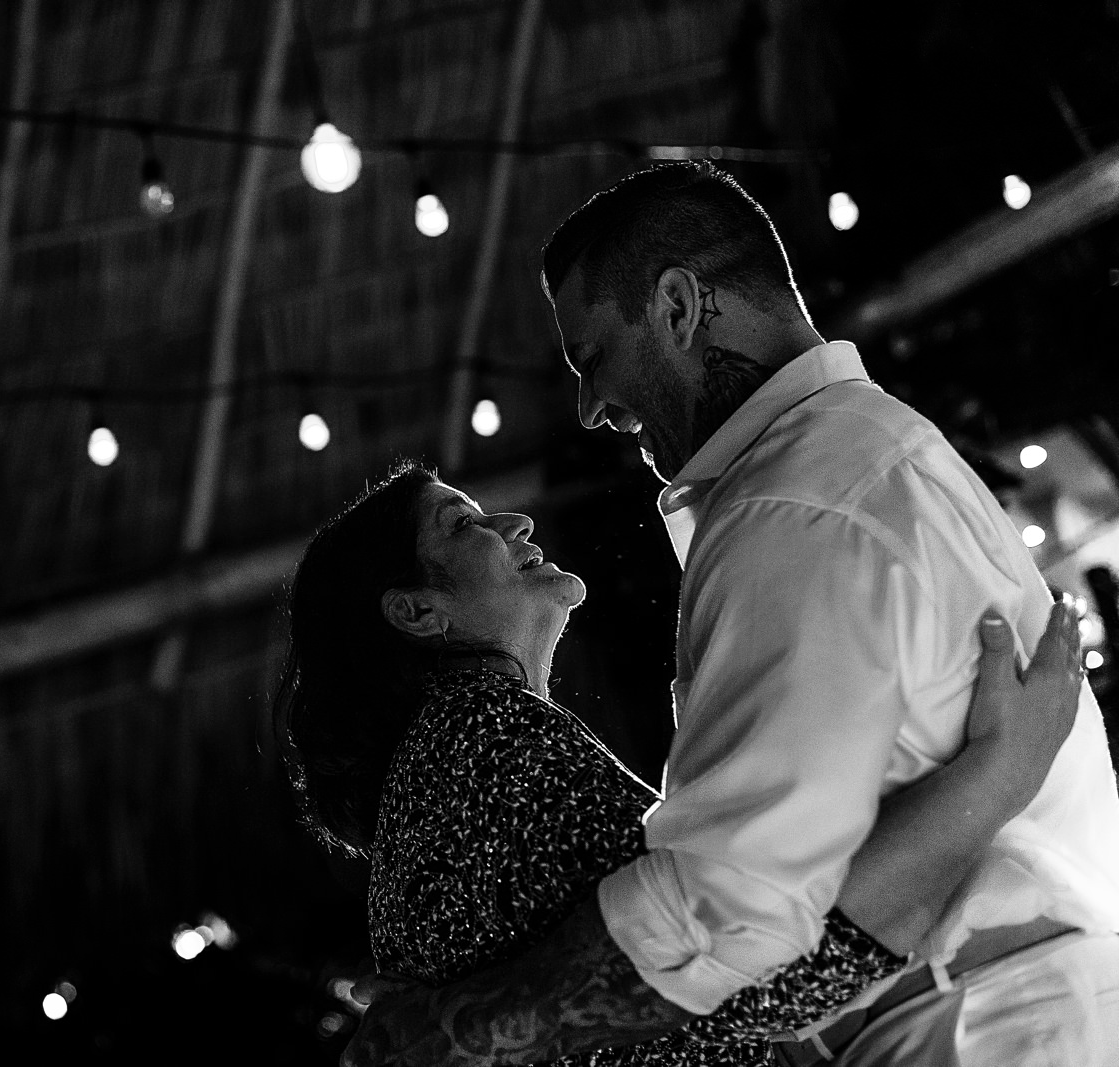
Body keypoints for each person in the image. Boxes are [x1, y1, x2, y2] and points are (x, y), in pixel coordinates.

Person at [341, 162, 1119, 1066]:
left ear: (676, 307)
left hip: (983, 1026)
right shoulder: (856, 457)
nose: (591, 410)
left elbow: (729, 914)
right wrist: (996, 774)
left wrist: (455, 1028)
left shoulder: (795, 502)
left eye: (591, 359)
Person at [276, 459, 1085, 1065]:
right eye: (464, 524)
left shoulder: (447, 772)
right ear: (419, 611)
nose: (515, 523)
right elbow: (747, 963)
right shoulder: (479, 736)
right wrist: (1001, 770)